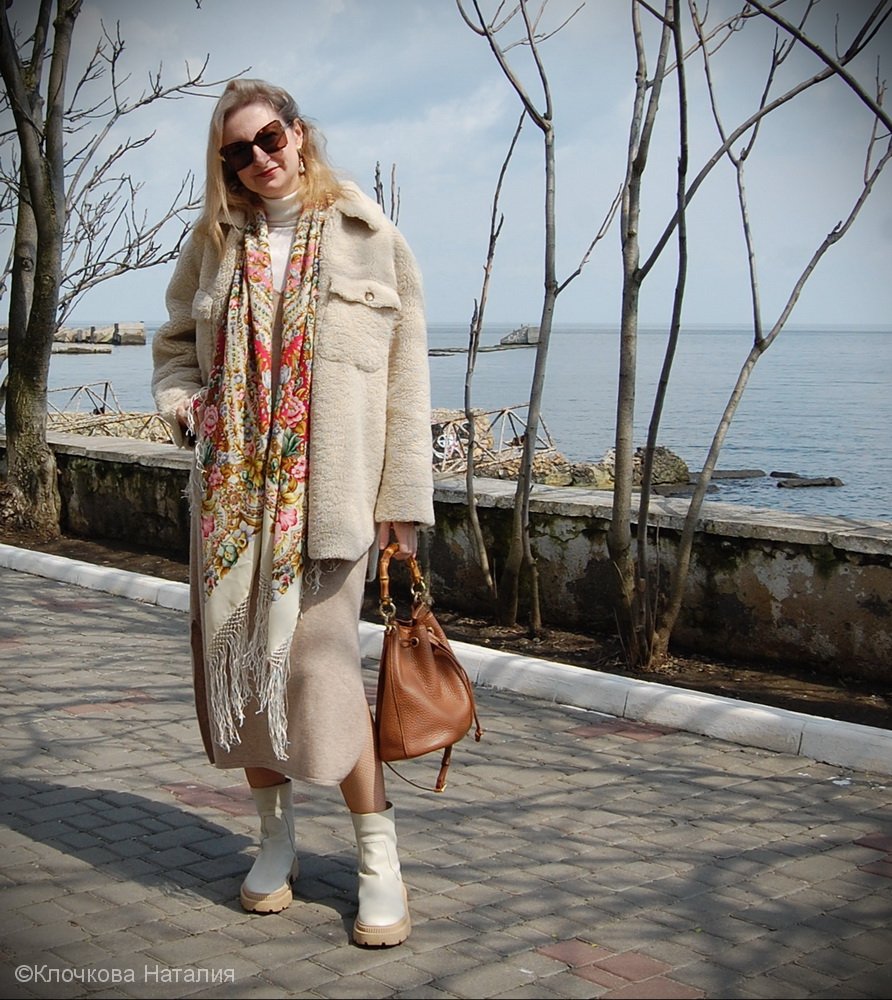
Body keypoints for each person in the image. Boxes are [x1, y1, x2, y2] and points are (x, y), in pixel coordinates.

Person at [151, 78, 434, 948]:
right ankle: (274, 842)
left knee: (321, 675)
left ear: (299, 133)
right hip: (232, 510)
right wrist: (188, 407)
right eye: (237, 151)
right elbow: (173, 346)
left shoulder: (371, 237)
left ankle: (379, 860)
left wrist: (402, 505)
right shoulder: (213, 244)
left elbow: (406, 381)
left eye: (269, 138)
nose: (259, 159)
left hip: (330, 506)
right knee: (241, 677)